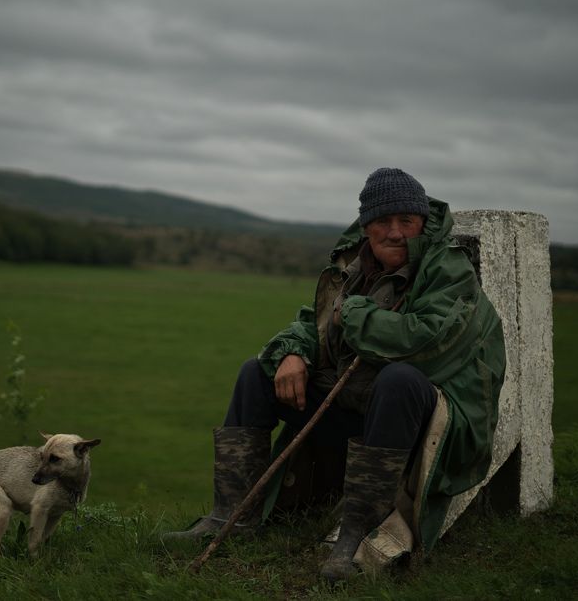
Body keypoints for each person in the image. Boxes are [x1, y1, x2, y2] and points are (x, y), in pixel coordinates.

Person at [163, 168, 506, 583]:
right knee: (257, 372)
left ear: (422, 222)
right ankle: (230, 516)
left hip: (431, 423)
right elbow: (315, 322)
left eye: (407, 221)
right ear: (367, 226)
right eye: (383, 221)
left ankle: (358, 535)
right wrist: (293, 352)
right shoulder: (354, 265)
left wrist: (358, 315)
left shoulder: (450, 272)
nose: (396, 232)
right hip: (357, 407)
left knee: (398, 379)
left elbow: (426, 344)